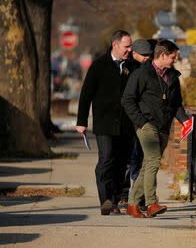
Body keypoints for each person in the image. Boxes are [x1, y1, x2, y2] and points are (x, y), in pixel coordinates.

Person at [122, 39, 189, 218]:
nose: (176, 60)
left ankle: (133, 204)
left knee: (147, 166)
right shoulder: (141, 74)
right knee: (152, 161)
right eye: (173, 57)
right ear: (163, 55)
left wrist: (186, 121)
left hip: (164, 127)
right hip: (147, 126)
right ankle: (151, 203)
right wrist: (141, 122)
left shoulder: (173, 77)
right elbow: (127, 100)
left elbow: (176, 104)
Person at [76, 30, 134, 215]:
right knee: (107, 158)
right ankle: (106, 199)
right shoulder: (99, 65)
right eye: (126, 46)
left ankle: (116, 200)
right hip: (105, 123)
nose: (129, 50)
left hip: (126, 124)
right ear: (115, 45)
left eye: (130, 46)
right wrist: (81, 121)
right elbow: (86, 94)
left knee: (121, 162)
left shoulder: (133, 65)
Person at [117, 39, 153, 212]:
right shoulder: (127, 68)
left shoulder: (150, 68)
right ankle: (125, 195)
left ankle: (140, 197)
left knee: (141, 160)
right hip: (128, 121)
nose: (147, 58)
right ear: (135, 53)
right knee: (128, 160)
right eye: (144, 55)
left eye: (149, 55)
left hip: (143, 120)